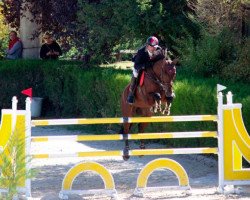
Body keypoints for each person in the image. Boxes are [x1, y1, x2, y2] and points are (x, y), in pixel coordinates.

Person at [127, 36, 165, 105]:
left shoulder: (159, 50)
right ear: (147, 46)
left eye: (155, 46)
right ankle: (131, 93)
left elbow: (163, 60)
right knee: (135, 73)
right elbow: (136, 65)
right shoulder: (141, 52)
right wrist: (146, 65)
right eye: (152, 46)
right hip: (141, 65)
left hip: (152, 67)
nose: (154, 48)